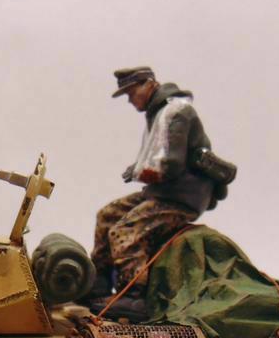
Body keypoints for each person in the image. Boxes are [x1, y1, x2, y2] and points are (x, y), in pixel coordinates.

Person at [89, 67, 216, 319]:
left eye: (131, 93)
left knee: (126, 230)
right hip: (162, 193)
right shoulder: (158, 113)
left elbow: (172, 164)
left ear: (148, 85)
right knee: (107, 215)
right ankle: (99, 284)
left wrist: (142, 172)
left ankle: (134, 295)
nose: (130, 100)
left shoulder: (176, 112)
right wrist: (138, 169)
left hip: (181, 197)